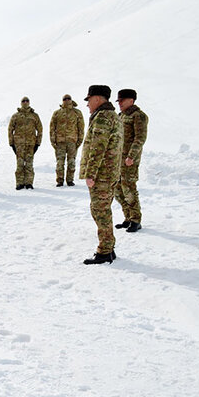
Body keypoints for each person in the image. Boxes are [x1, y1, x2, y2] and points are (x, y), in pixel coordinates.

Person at [79, 84, 123, 265]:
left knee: (100, 211)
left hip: (102, 175)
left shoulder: (103, 118)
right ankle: (108, 248)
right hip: (109, 173)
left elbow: (98, 147)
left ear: (97, 98)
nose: (87, 104)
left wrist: (90, 174)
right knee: (102, 210)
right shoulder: (113, 116)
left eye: (89, 100)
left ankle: (105, 251)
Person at [115, 88, 149, 233]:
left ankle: (136, 219)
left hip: (129, 161)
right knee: (117, 190)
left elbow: (140, 138)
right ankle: (127, 217)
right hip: (117, 160)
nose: (119, 103)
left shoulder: (138, 116)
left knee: (128, 188)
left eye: (122, 100)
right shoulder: (121, 116)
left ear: (131, 100)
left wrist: (131, 156)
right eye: (118, 101)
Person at [49, 94, 84, 187]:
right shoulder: (57, 113)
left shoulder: (77, 113)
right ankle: (60, 180)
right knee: (60, 162)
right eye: (65, 99)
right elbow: (52, 128)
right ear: (62, 100)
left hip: (72, 141)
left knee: (71, 162)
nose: (67, 100)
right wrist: (53, 141)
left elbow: (81, 128)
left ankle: (70, 180)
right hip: (60, 142)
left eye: (68, 99)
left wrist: (79, 141)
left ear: (71, 100)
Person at [8, 97, 42, 190]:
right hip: (19, 144)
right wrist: (11, 143)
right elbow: (10, 129)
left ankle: (29, 183)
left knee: (29, 164)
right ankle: (19, 183)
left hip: (31, 144)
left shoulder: (34, 116)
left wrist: (38, 143)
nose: (25, 102)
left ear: (29, 102)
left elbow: (40, 129)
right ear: (21, 103)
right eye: (23, 101)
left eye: (27, 101)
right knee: (20, 164)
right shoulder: (16, 116)